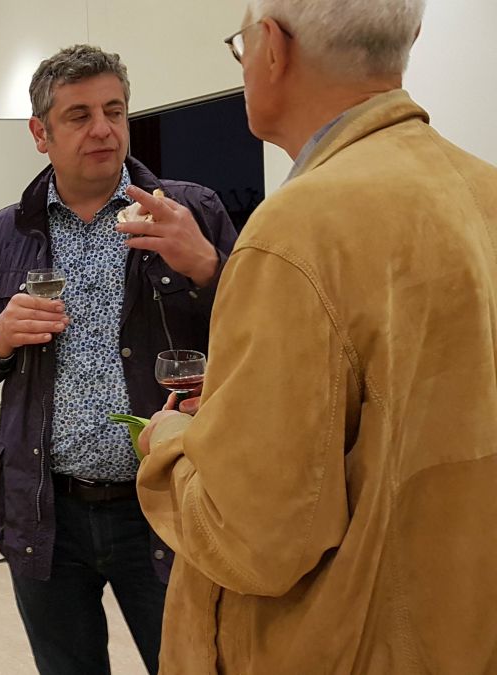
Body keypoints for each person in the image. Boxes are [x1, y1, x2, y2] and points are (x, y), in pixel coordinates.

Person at [132, 0, 497, 672]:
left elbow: (254, 538)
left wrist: (172, 441)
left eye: (241, 46)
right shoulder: (483, 189)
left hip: (339, 644)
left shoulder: (295, 231)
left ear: (272, 48)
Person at [0, 45, 238, 675]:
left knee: (192, 664)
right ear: (40, 134)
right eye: (79, 116)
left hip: (166, 499)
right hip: (45, 506)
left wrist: (209, 268)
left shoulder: (189, 210)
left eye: (114, 110)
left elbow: (260, 334)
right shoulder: (4, 233)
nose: (103, 129)